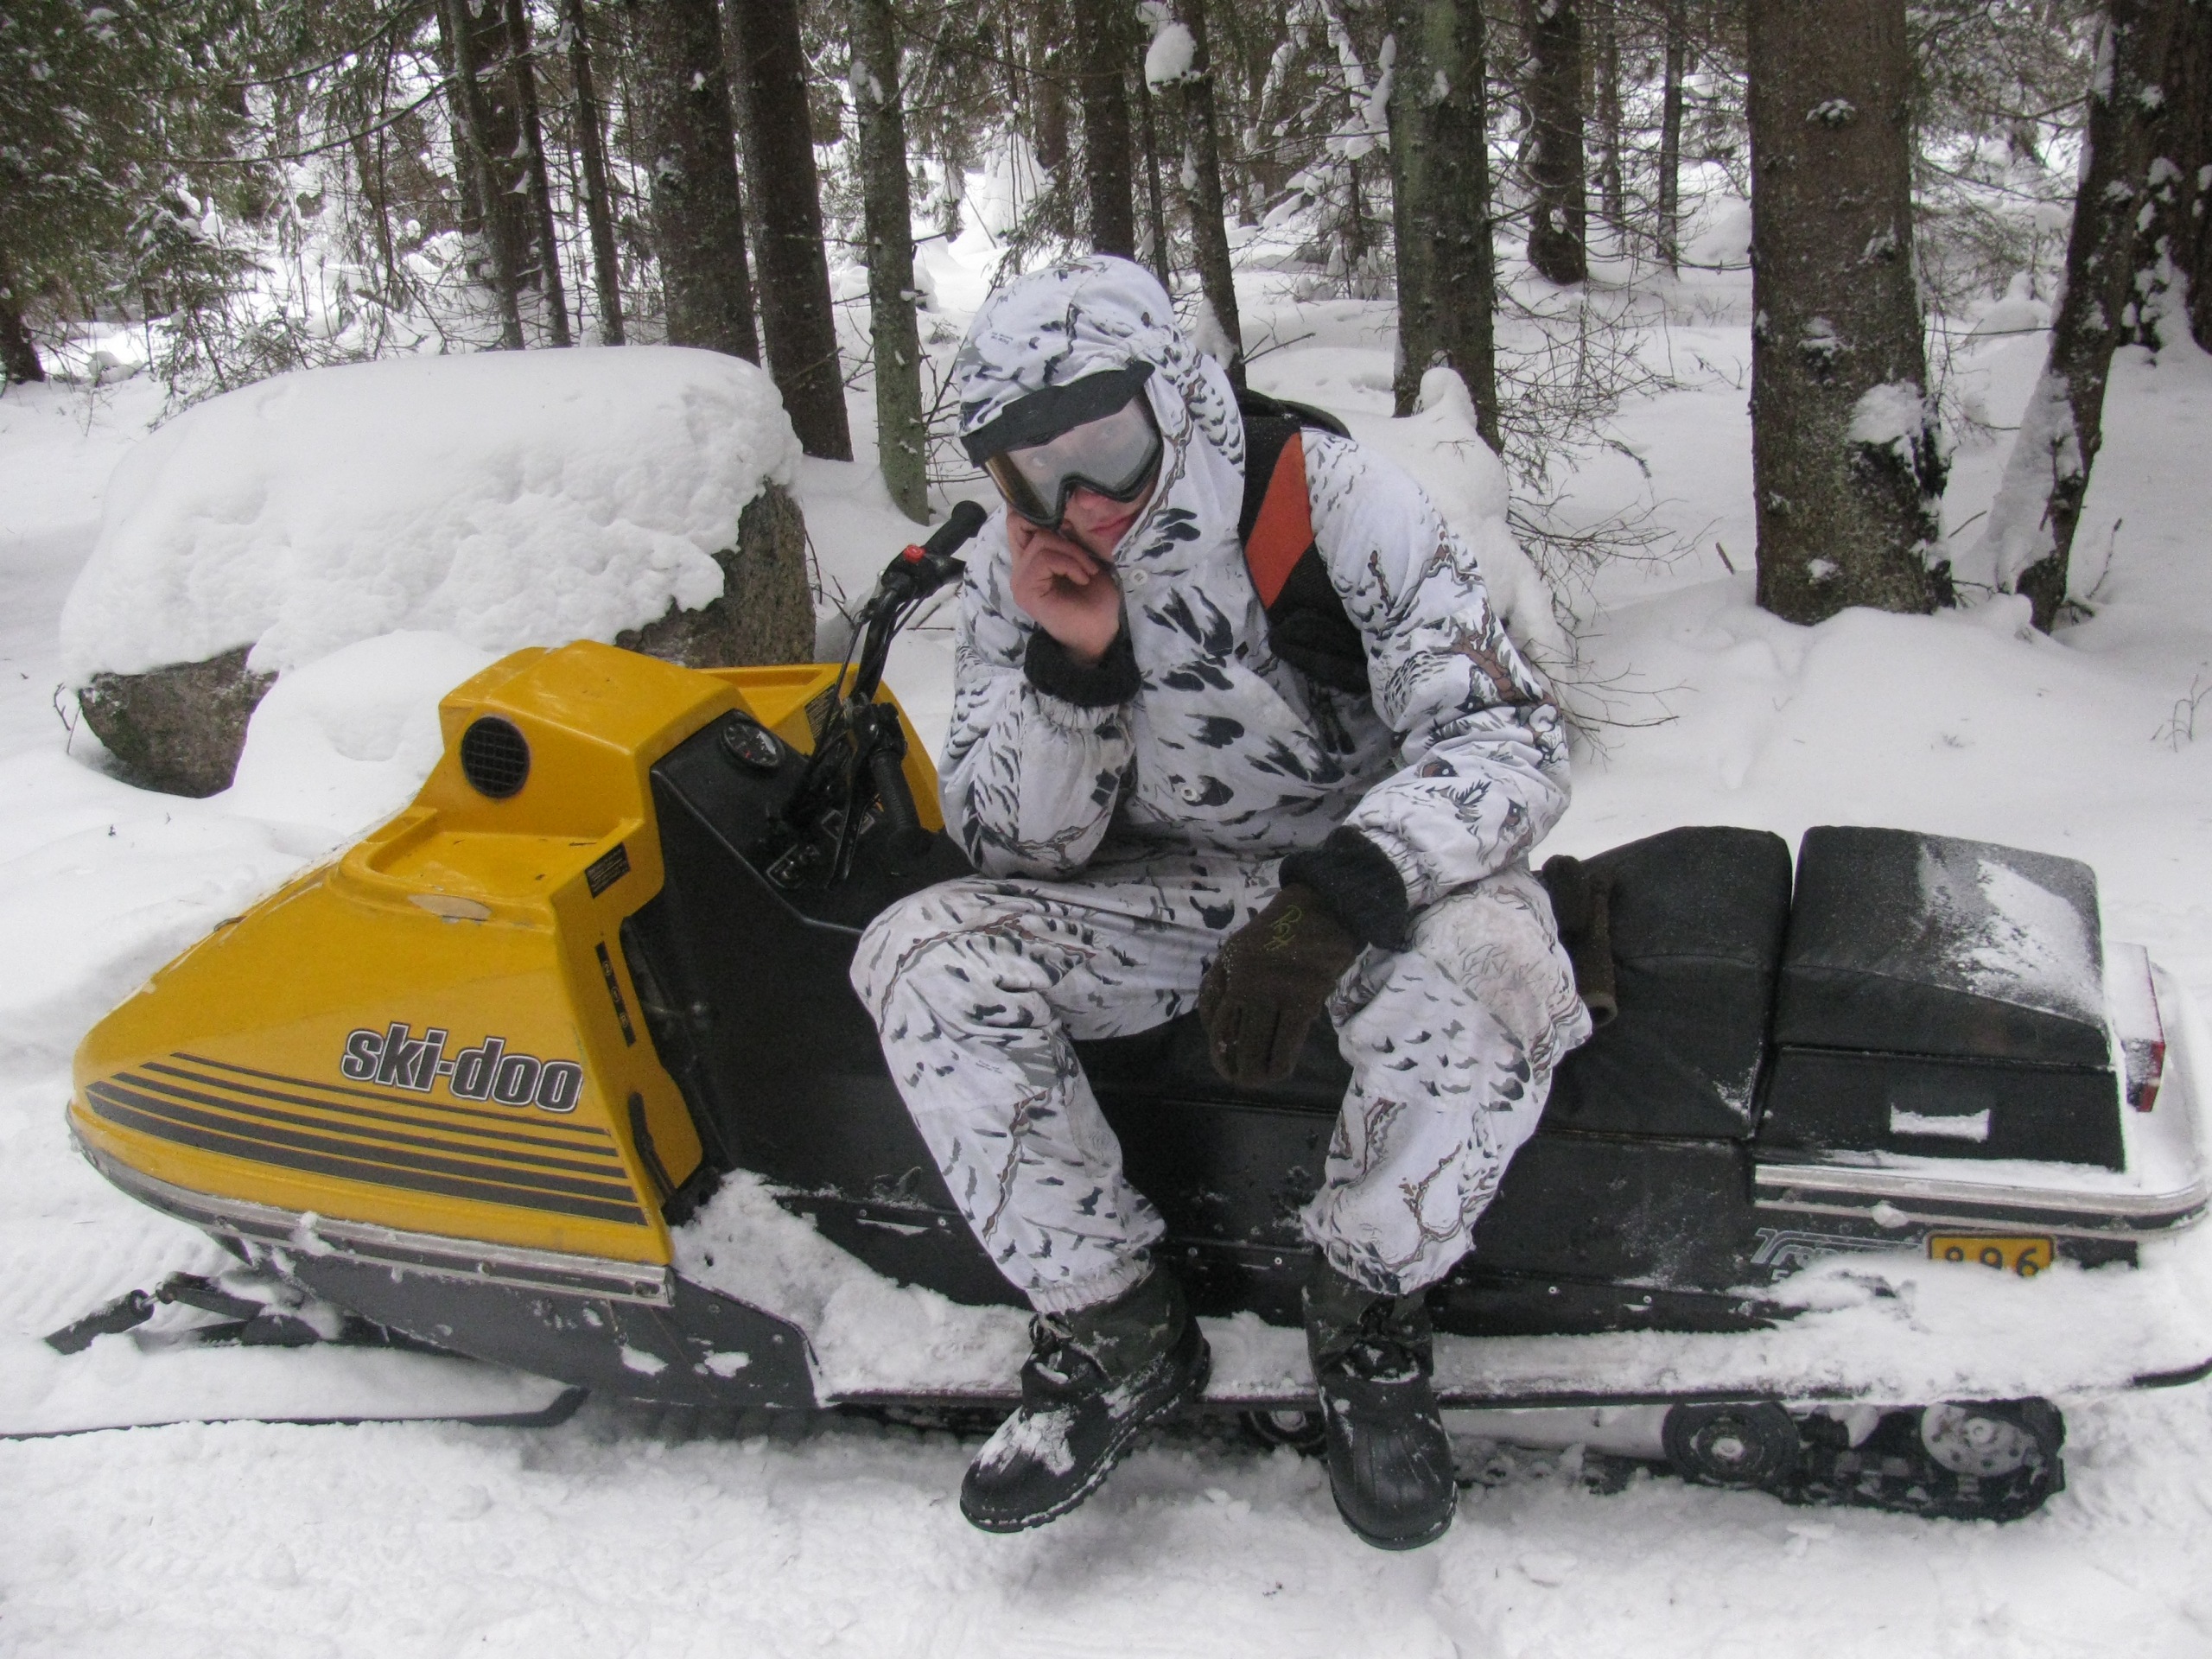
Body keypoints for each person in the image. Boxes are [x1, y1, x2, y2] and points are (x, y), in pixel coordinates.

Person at [851, 257, 1590, 1549]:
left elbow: (1508, 740)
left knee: (1501, 984)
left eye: (1105, 449)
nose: (1079, 500)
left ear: (1179, 397)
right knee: (922, 957)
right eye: (1033, 470)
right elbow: (1012, 846)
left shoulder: (1331, 500)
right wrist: (1072, 665)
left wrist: (1341, 897)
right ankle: (1116, 1325)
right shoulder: (1019, 577)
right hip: (1168, 889)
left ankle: (1366, 1313)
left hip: (1380, 873)